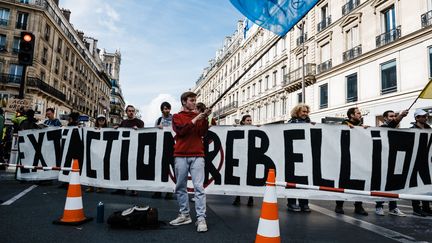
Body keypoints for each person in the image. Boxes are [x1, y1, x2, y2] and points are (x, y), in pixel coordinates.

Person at [169, 91, 211, 233]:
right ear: (184, 102)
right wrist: (196, 119)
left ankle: (201, 218)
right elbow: (181, 131)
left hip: (198, 154)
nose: (194, 102)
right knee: (181, 186)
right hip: (180, 155)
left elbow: (202, 133)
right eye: (191, 100)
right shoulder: (177, 117)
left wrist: (205, 118)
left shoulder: (198, 117)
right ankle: (185, 214)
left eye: (195, 100)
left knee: (199, 187)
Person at [335, 107, 368, 216]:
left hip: (358, 158)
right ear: (352, 115)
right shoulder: (344, 125)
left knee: (359, 182)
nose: (360, 115)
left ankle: (358, 206)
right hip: (345, 158)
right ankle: (339, 205)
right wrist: (345, 127)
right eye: (358, 113)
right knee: (343, 181)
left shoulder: (361, 126)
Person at [375, 110, 408, 217]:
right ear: (384, 118)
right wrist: (401, 116)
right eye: (391, 116)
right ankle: (379, 206)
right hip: (383, 161)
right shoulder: (382, 128)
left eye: (394, 116)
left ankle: (393, 207)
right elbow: (393, 123)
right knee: (382, 185)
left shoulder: (396, 129)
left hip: (394, 160)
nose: (393, 118)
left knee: (393, 184)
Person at [111, 105, 144, 196]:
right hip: (124, 148)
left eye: (133, 111)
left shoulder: (140, 122)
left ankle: (134, 189)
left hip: (134, 149)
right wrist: (117, 128)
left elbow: (143, 133)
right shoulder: (123, 122)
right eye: (129, 111)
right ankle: (121, 188)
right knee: (122, 168)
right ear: (126, 112)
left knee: (133, 169)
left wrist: (138, 130)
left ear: (135, 112)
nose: (131, 112)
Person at [286, 104, 313, 213]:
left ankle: (304, 203)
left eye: (306, 112)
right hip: (292, 155)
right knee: (292, 180)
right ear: (297, 112)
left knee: (303, 181)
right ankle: (291, 203)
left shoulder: (310, 123)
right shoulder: (290, 123)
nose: (305, 113)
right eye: (303, 111)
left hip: (305, 156)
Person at [410, 109, 432, 217]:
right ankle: (416, 208)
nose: (425, 118)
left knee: (427, 184)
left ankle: (426, 208)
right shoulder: (412, 129)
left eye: (426, 116)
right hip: (415, 161)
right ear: (417, 118)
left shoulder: (429, 128)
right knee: (416, 186)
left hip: (427, 161)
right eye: (423, 116)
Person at [152, 102, 174, 200]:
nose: (167, 110)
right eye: (165, 109)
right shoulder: (159, 120)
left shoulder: (174, 119)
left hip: (172, 148)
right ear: (162, 110)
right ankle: (158, 190)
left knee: (172, 171)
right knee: (160, 170)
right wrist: (158, 128)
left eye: (168, 108)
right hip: (161, 148)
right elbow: (154, 132)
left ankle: (170, 191)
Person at [232, 114, 254, 207]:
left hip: (251, 157)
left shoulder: (254, 130)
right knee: (240, 178)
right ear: (243, 121)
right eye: (248, 120)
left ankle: (251, 198)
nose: (249, 122)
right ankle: (238, 197)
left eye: (250, 120)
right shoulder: (239, 129)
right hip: (241, 157)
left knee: (250, 178)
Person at [86, 114, 107, 193]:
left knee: (100, 170)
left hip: (102, 152)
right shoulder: (93, 129)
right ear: (97, 121)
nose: (101, 121)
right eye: (99, 119)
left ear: (105, 121)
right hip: (94, 152)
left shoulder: (108, 130)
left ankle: (100, 187)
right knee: (92, 169)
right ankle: (91, 186)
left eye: (103, 119)